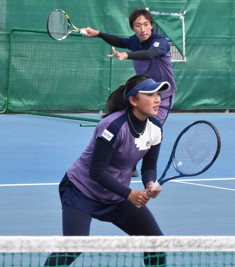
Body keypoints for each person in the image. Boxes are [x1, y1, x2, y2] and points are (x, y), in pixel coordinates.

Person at [44, 75, 169, 267]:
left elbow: (149, 167)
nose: (157, 99)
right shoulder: (113, 126)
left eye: (158, 94)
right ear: (133, 100)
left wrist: (150, 183)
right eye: (150, 94)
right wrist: (130, 194)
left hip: (115, 197)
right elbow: (97, 171)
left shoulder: (155, 129)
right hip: (81, 191)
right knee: (73, 247)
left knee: (156, 243)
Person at [83, 8, 177, 177]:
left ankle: (136, 165)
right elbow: (120, 40)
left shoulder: (160, 42)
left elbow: (149, 54)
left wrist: (127, 55)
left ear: (151, 25)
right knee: (127, 123)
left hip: (162, 97)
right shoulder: (135, 41)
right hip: (141, 92)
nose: (143, 29)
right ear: (133, 28)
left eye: (146, 24)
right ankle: (114, 157)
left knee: (151, 128)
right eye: (138, 25)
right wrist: (97, 33)